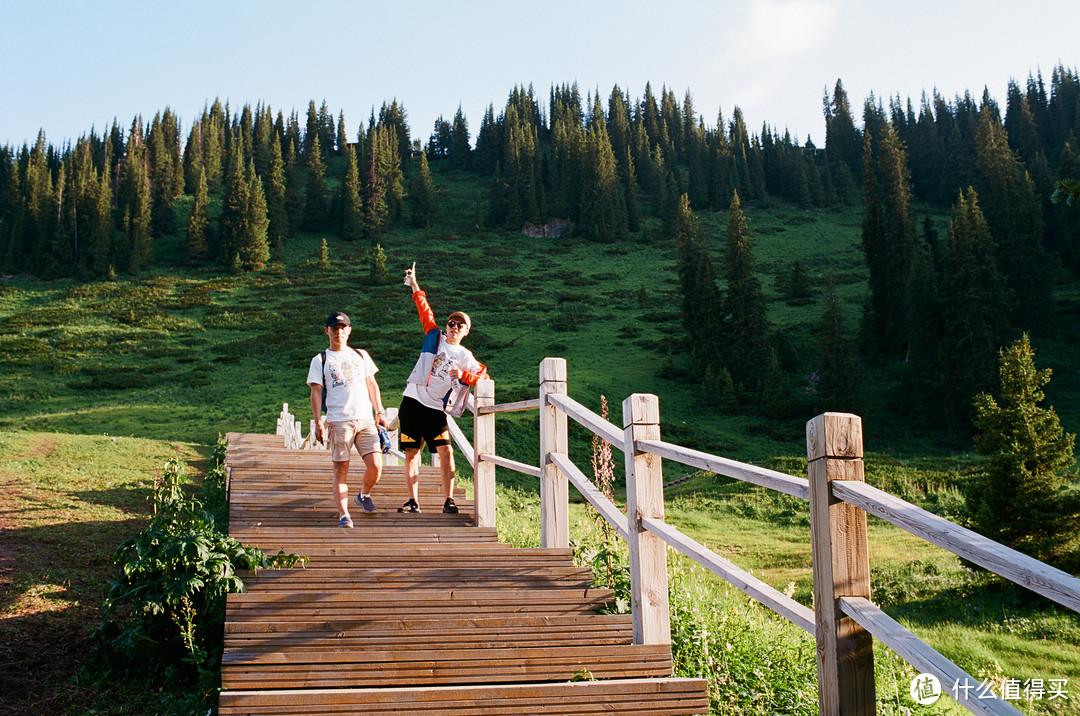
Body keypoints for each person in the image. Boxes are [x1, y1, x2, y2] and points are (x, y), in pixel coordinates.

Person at [397, 265, 488, 514]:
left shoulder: (465, 356)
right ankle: (413, 501)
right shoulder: (433, 336)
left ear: (466, 332)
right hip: (413, 402)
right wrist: (414, 284)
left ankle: (449, 500)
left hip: (436, 408)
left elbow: (483, 374)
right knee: (412, 453)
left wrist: (464, 375)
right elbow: (424, 310)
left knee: (446, 451)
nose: (455, 327)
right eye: (452, 323)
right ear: (446, 326)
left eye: (461, 325)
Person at [306, 311, 388, 527]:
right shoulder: (320, 359)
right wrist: (318, 422)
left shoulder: (361, 355)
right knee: (341, 469)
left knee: (376, 465)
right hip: (339, 420)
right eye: (334, 329)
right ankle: (344, 515)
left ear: (349, 331)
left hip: (366, 419)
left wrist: (379, 410)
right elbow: (316, 392)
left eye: (342, 328)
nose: (338, 332)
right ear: (327, 331)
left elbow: (372, 384)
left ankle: (363, 495)